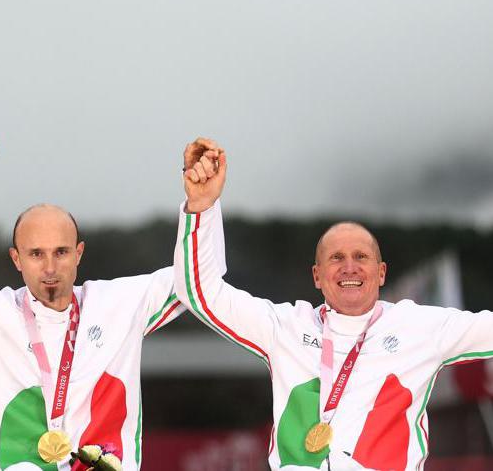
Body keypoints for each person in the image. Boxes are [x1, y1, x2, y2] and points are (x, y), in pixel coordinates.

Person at [174, 138, 493, 470]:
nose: (349, 267)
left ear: (381, 272)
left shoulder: (420, 327)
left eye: (361, 257)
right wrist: (201, 207)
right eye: (336, 258)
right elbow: (200, 293)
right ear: (317, 275)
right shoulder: (285, 327)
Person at [0, 122, 187, 471]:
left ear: (79, 253)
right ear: (16, 259)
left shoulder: (119, 303)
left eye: (61, 252)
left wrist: (201, 206)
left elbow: (197, 282)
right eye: (36, 254)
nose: (49, 267)